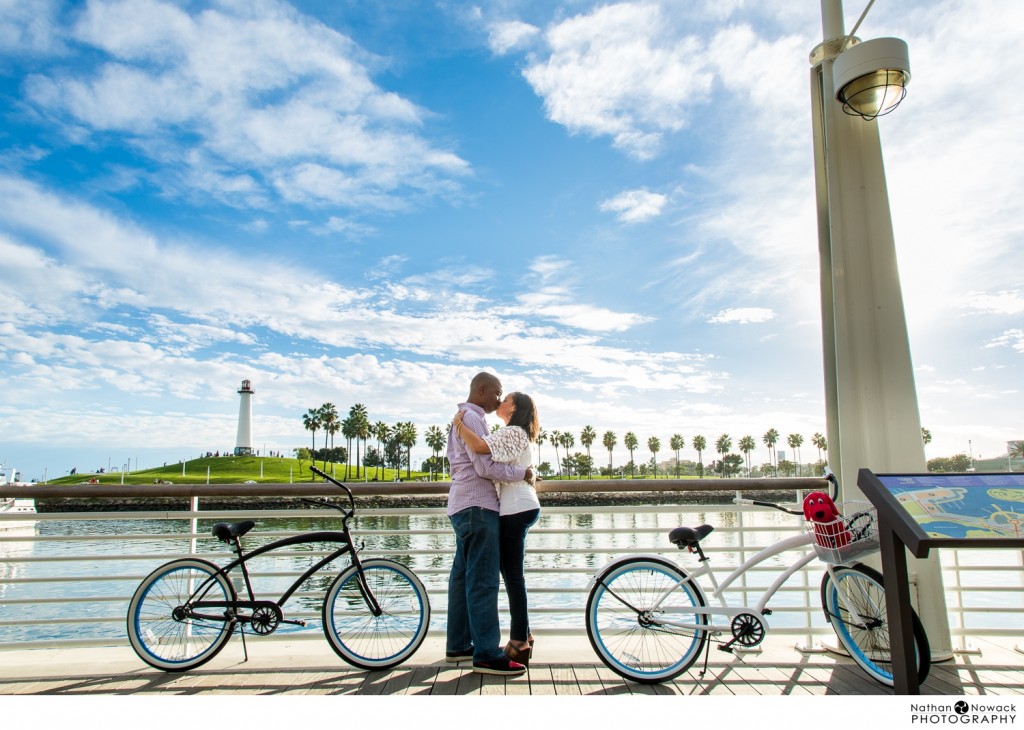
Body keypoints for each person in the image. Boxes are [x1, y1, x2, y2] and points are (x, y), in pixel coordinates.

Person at [445, 372, 534, 675]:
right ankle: (486, 655)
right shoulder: (473, 418)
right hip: (478, 506)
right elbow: (484, 466)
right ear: (481, 390)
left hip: (462, 504)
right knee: (483, 581)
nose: (498, 398)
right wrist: (522, 474)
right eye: (496, 393)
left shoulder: (463, 417)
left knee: (461, 578)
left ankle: (458, 645)